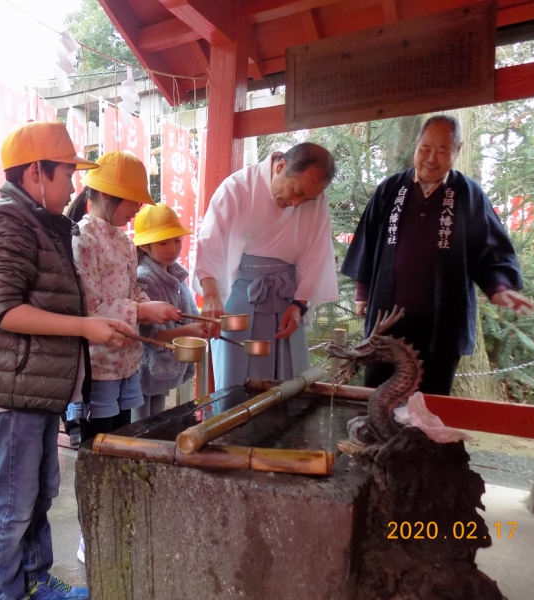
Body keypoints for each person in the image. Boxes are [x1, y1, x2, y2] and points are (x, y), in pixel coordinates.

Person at [0, 121, 134, 600]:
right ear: (37, 171)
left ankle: (33, 581)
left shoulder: (39, 221)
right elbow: (3, 309)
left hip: (35, 383)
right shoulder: (6, 220)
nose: (74, 185)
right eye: (67, 174)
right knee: (12, 504)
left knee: (37, 495)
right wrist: (85, 326)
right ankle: (3, 593)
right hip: (14, 386)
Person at [342, 115, 534, 395]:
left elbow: (489, 247)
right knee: (376, 397)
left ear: (457, 151)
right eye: (425, 148)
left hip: (441, 321)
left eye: (443, 150)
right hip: (388, 317)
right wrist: (363, 291)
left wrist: (498, 287)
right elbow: (369, 241)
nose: (432, 158)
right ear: (415, 146)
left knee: (431, 402)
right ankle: (375, 439)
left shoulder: (470, 194)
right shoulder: (390, 189)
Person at [194, 143, 339, 390]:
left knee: (290, 376)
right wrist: (211, 294)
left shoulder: (316, 199)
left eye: (307, 199)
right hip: (241, 294)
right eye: (296, 191)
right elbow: (210, 243)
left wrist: (299, 304)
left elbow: (318, 253)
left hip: (287, 298)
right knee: (235, 379)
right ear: (281, 166)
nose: (297, 203)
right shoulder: (237, 187)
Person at [72, 152, 181, 438]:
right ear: (109, 195)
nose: (139, 207)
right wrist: (142, 311)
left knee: (123, 440)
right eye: (134, 199)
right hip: (98, 365)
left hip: (126, 361)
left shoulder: (123, 240)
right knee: (98, 444)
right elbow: (88, 307)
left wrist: (149, 305)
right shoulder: (83, 238)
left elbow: (133, 289)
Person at [133, 203, 209, 420]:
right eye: (163, 242)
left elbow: (189, 312)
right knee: (140, 423)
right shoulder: (144, 278)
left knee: (156, 418)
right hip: (145, 366)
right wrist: (188, 331)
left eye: (177, 240)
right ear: (145, 246)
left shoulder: (174, 276)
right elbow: (149, 336)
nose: (172, 249)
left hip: (162, 365)